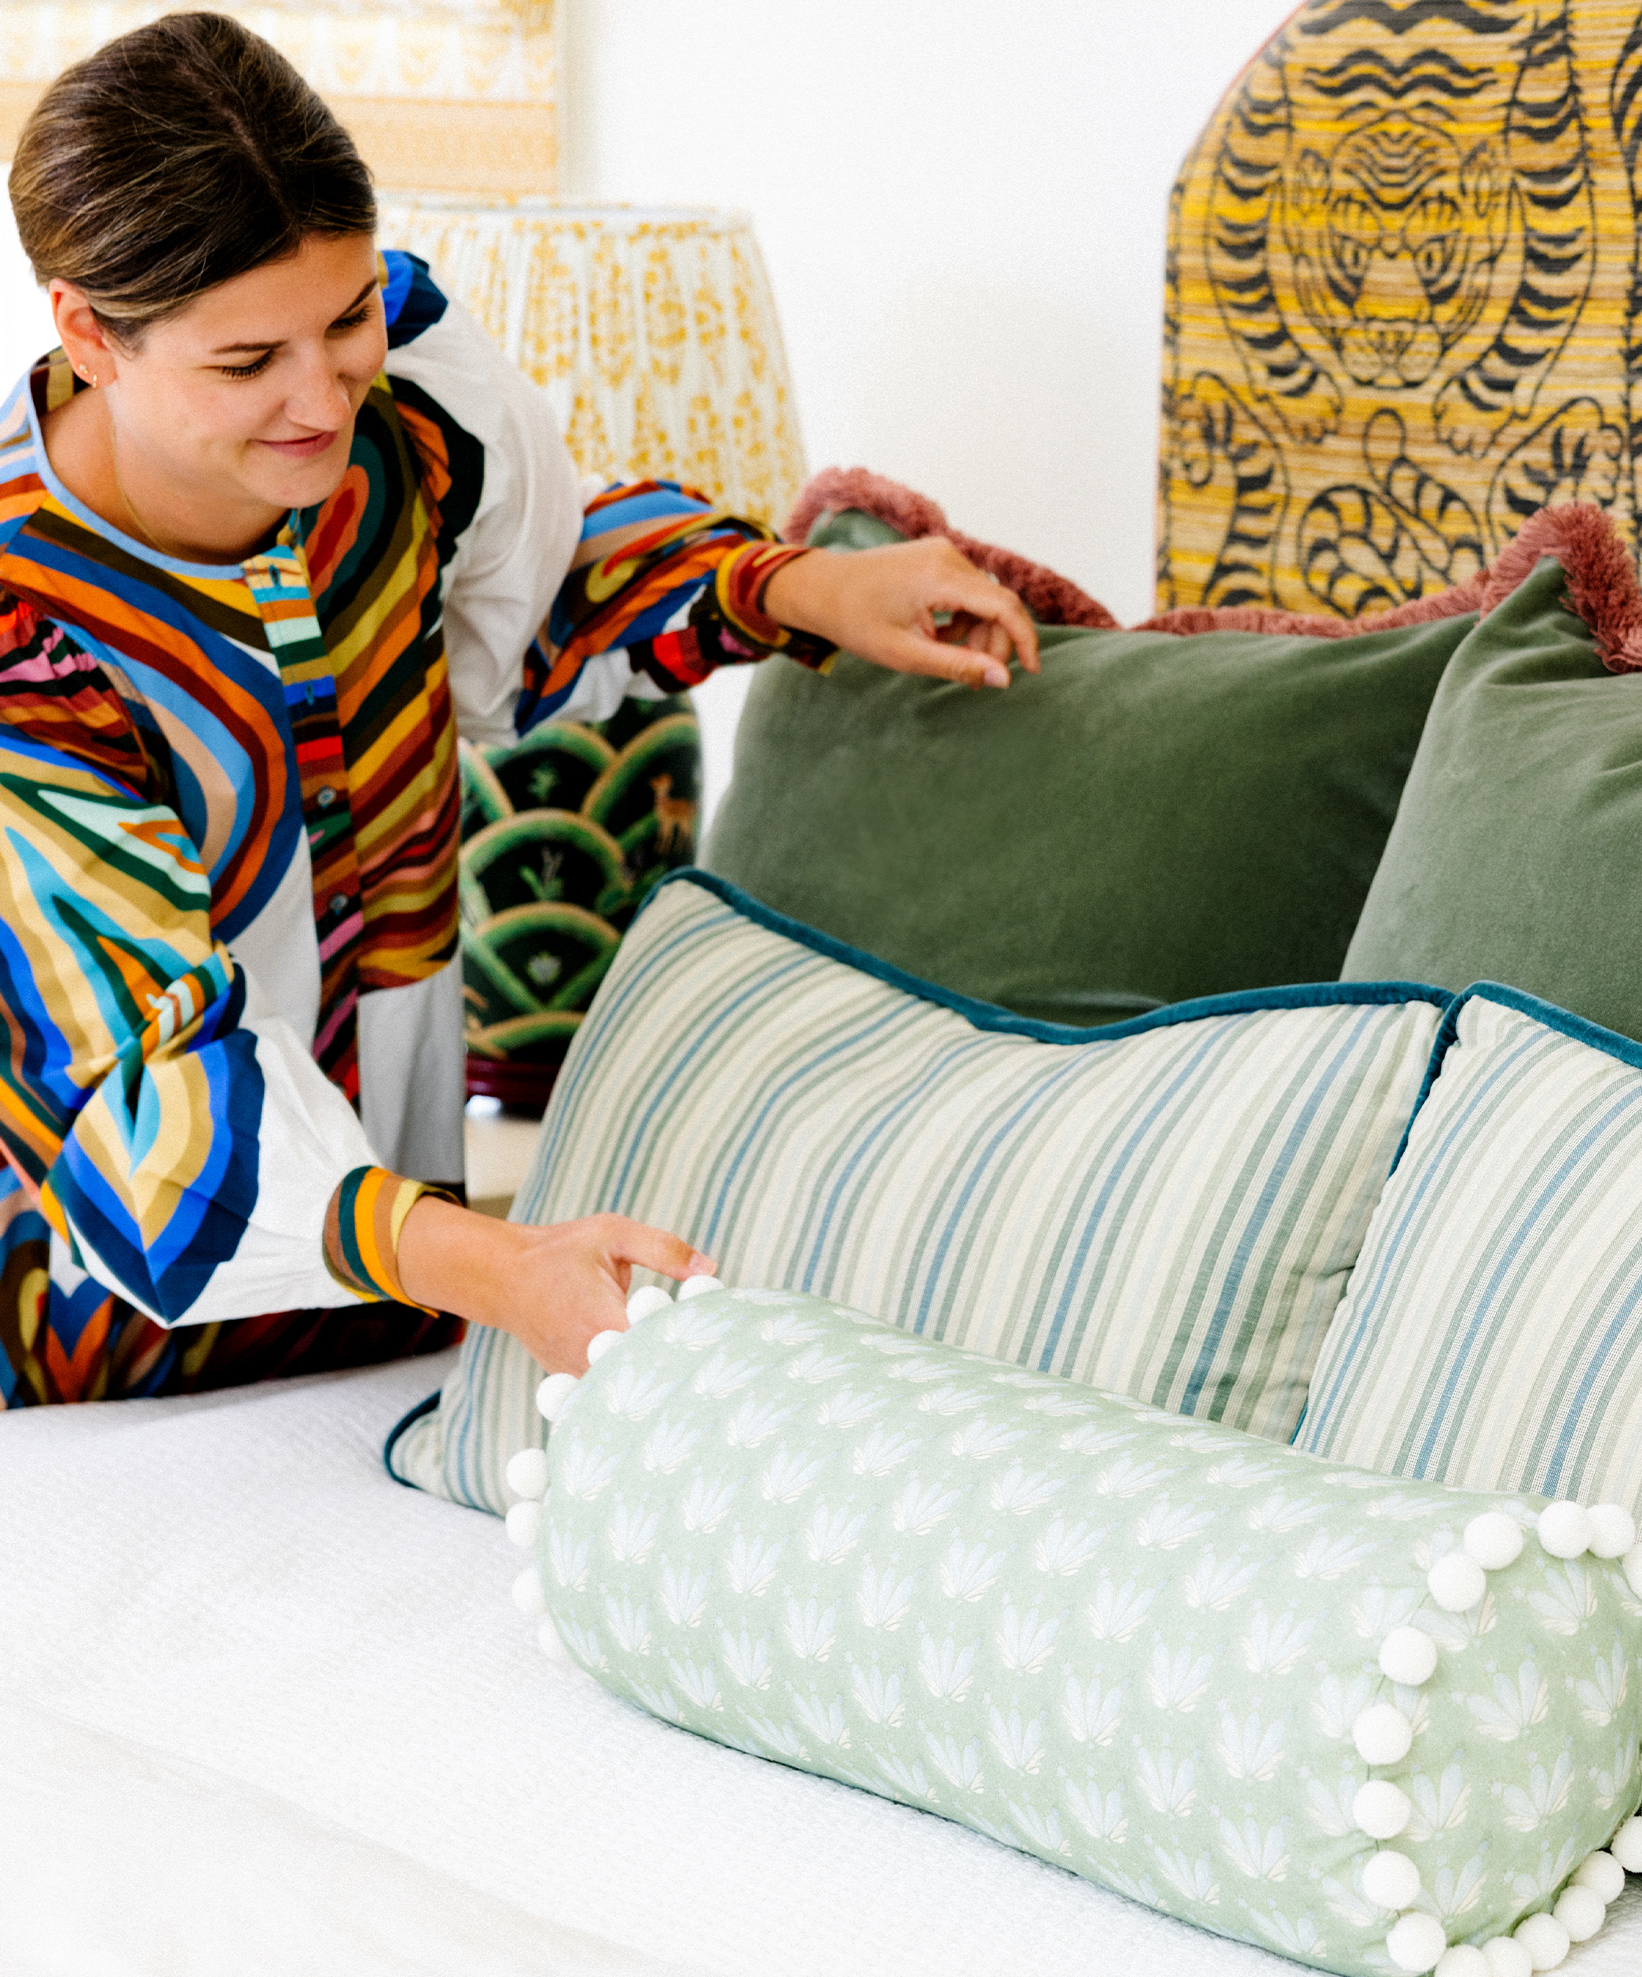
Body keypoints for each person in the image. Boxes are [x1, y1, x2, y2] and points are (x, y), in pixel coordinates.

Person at [0, 11, 1037, 1408]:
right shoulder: (26, 637)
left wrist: (796, 590)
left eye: (348, 316)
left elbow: (518, 606)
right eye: (248, 364)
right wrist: (497, 1266)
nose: (322, 395)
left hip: (411, 1303)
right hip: (99, 1352)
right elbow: (138, 1077)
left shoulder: (398, 439)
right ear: (87, 333)